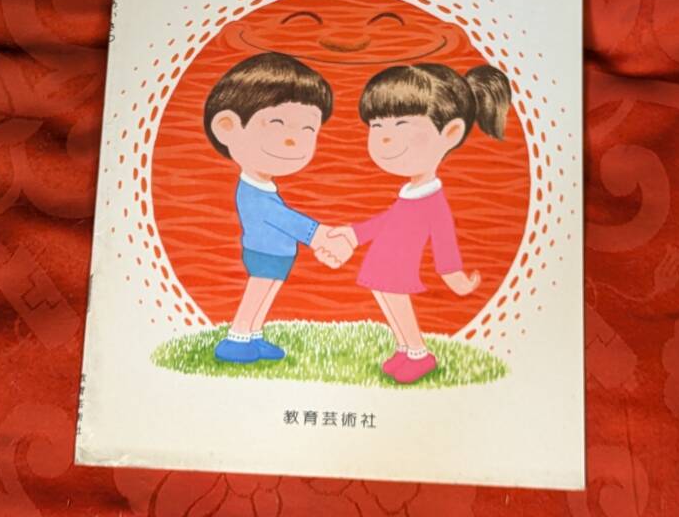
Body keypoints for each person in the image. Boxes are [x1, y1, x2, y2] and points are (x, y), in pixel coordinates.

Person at [331, 62, 511, 384]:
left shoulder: (432, 200)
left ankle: (418, 353)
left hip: (397, 267)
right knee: (385, 301)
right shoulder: (410, 193)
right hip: (382, 262)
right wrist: (354, 234)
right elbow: (388, 221)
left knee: (398, 304)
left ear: (450, 133)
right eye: (377, 125)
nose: (385, 138)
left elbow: (444, 242)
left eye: (402, 124)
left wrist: (455, 278)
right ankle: (403, 348)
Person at [204, 51, 353, 363]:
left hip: (280, 254)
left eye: (308, 130)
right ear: (227, 127)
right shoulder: (252, 191)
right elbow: (279, 217)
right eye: (277, 123)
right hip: (263, 252)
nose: (293, 140)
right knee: (258, 291)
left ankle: (254, 336)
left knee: (269, 291)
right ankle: (236, 339)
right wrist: (318, 234)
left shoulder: (265, 186)